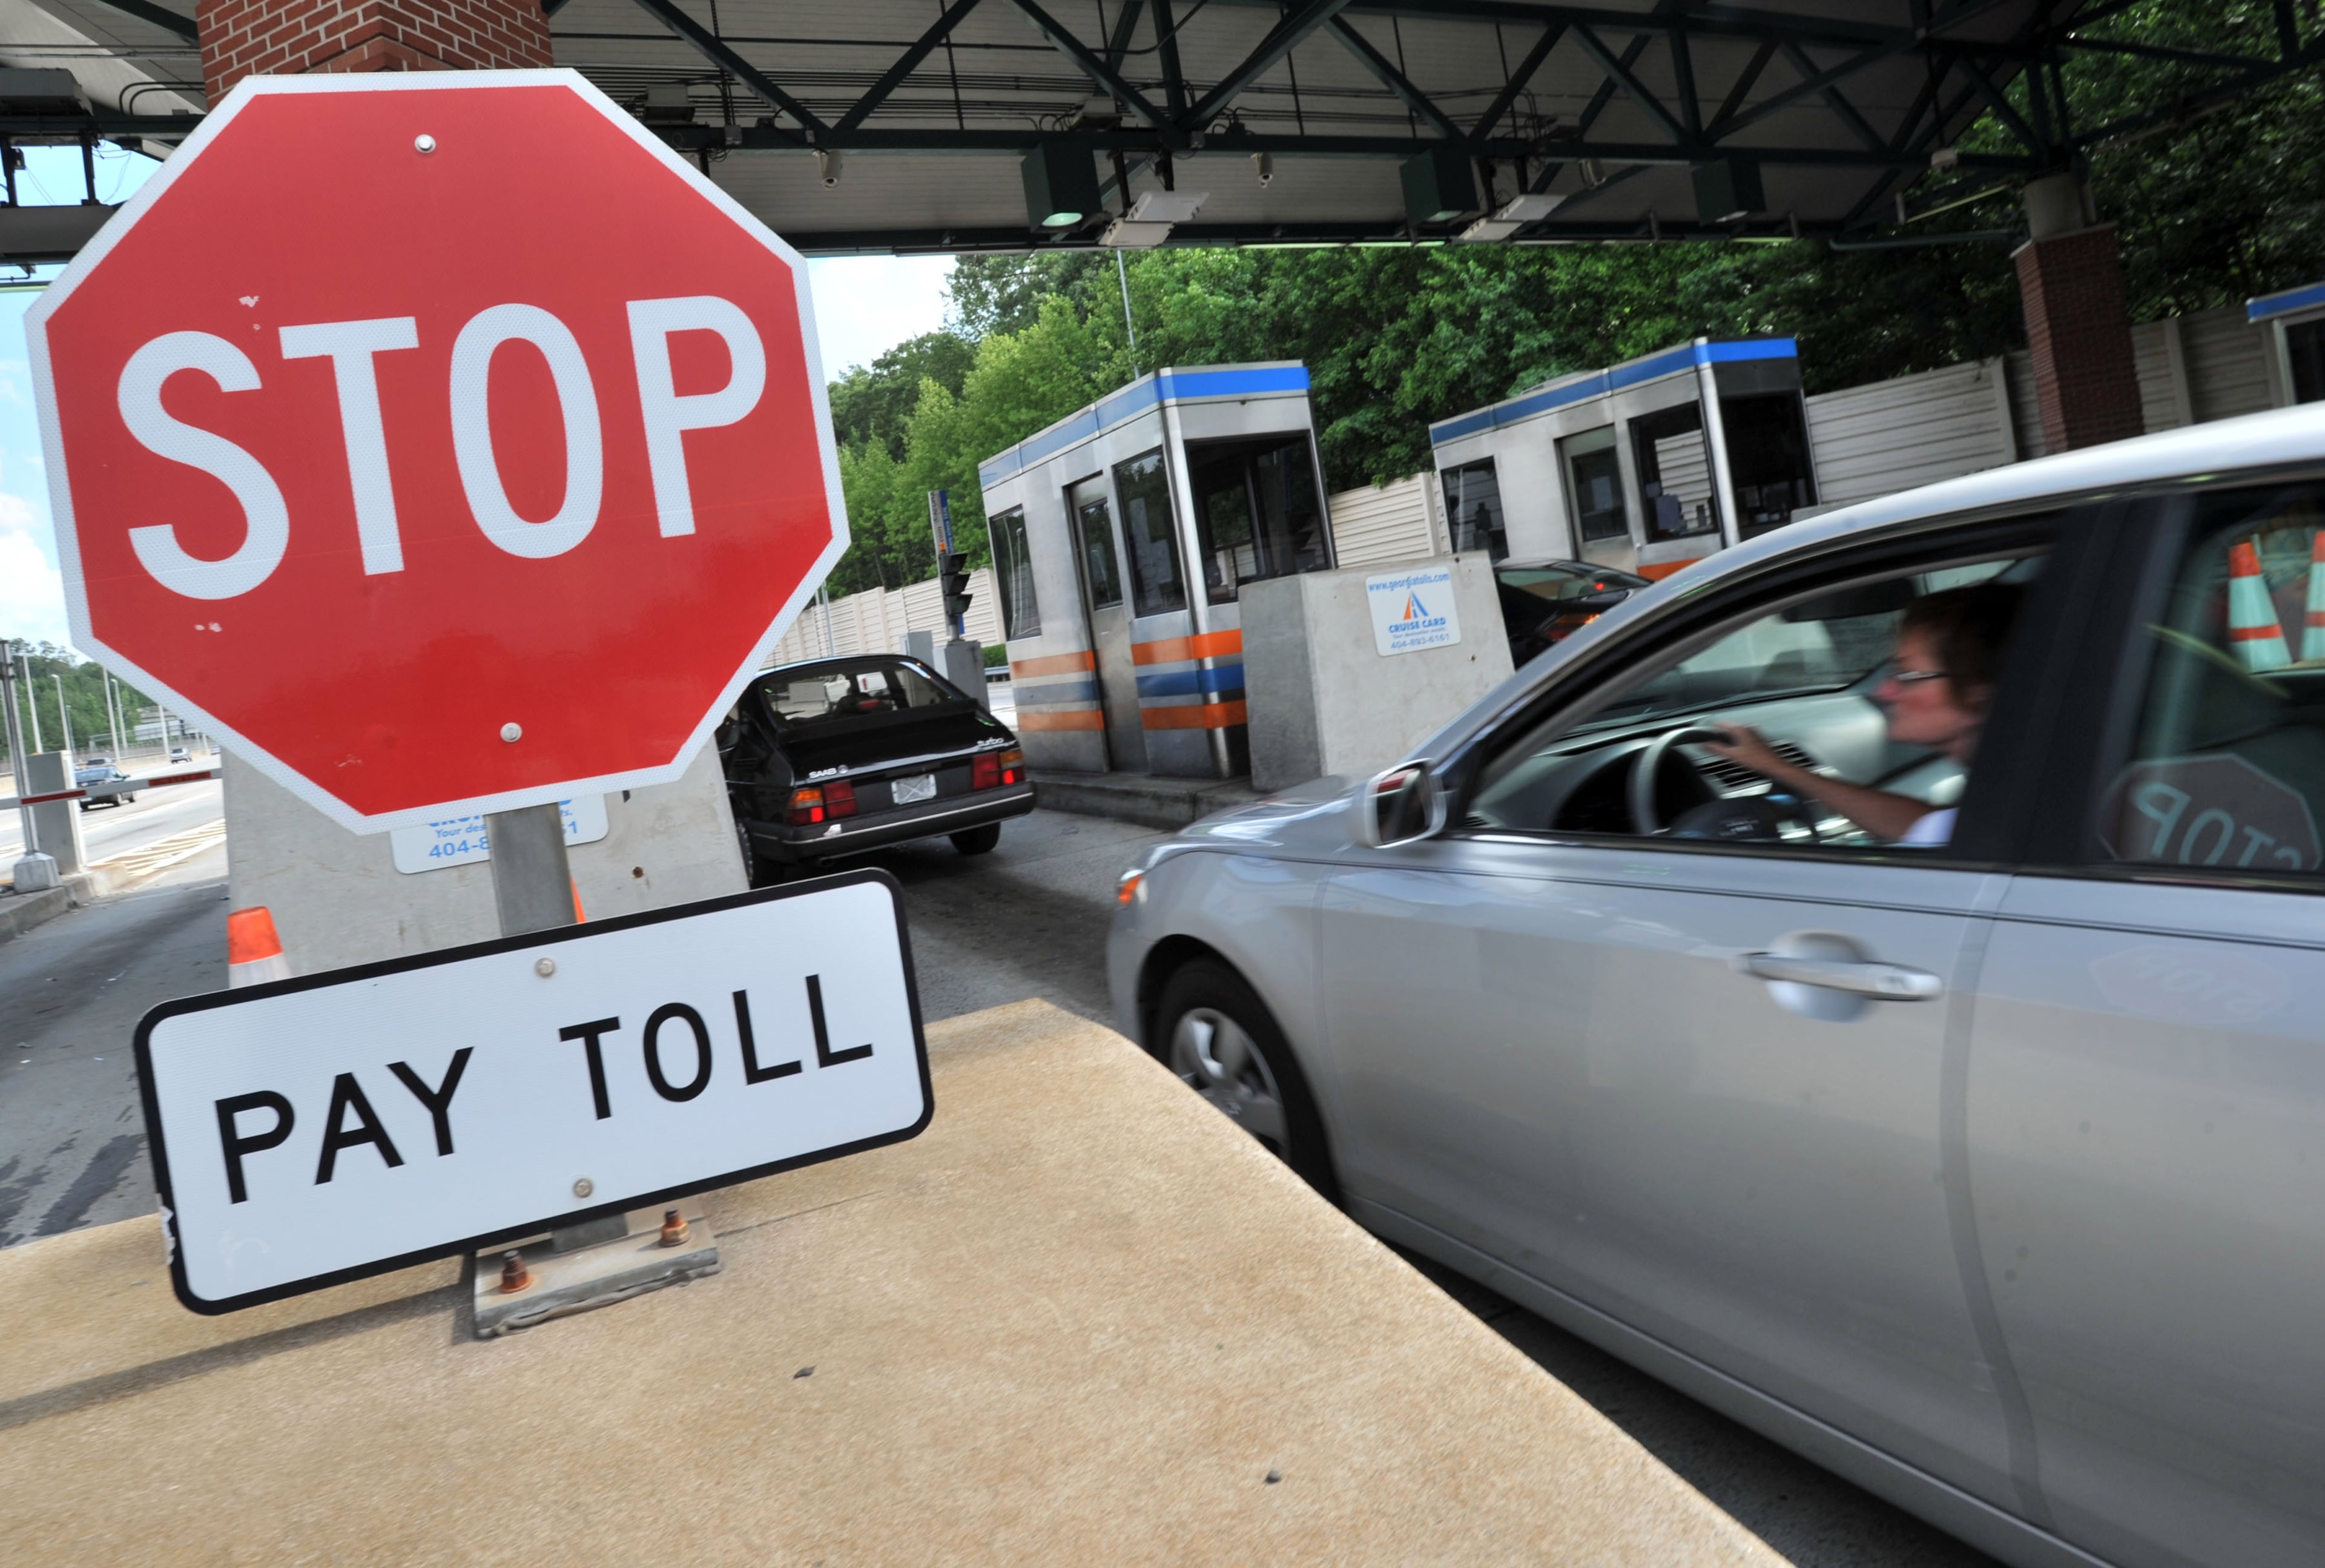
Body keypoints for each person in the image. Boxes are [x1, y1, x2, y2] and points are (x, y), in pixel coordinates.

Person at [1704, 581, 2023, 846]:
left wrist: (1779, 769)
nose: (1882, 691)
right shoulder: (2019, 782)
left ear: (1978, 693)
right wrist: (1776, 766)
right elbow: (1926, 826)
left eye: (1906, 675)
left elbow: (1929, 829)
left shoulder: (2018, 806)